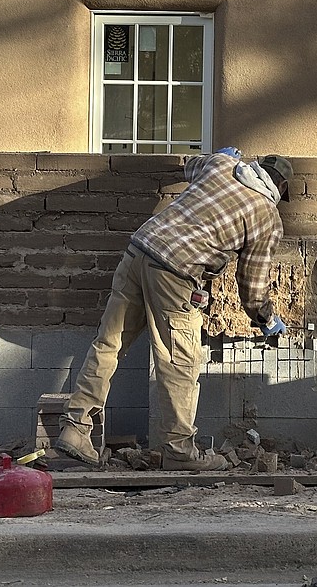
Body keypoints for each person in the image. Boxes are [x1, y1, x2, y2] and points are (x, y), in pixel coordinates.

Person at [55, 149, 292, 472]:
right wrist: (265, 318)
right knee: (179, 363)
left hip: (139, 251)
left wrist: (216, 156)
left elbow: (189, 166)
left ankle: (75, 427)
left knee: (108, 345)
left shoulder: (222, 165)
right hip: (177, 272)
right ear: (279, 188)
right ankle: (179, 451)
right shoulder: (266, 216)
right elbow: (252, 284)